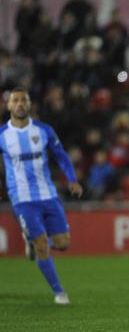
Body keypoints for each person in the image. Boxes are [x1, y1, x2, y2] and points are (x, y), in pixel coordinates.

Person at [0, 87, 83, 305]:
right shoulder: (3, 135)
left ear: (29, 104)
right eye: (15, 101)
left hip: (48, 194)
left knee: (63, 243)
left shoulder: (43, 130)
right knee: (42, 246)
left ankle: (31, 240)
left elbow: (61, 155)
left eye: (23, 100)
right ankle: (59, 292)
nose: (19, 104)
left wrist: (72, 178)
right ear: (8, 105)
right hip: (22, 198)